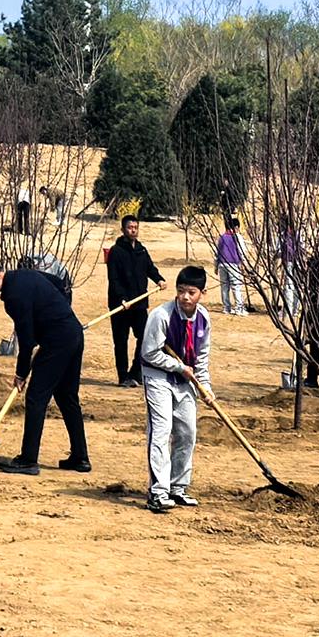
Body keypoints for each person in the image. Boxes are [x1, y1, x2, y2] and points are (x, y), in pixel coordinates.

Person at [0, 257, 89, 475]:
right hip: (73, 332)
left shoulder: (13, 297)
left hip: (57, 341)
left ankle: (28, 459)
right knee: (67, 397)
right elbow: (60, 283)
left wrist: (21, 373)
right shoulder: (27, 274)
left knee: (36, 397)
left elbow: (26, 339)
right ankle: (80, 457)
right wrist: (59, 313)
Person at [135, 266, 212, 513]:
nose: (185, 297)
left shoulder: (203, 318)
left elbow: (201, 357)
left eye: (191, 292)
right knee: (161, 429)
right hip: (158, 376)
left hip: (186, 379)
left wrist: (205, 386)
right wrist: (177, 367)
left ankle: (177, 487)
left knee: (187, 432)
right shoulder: (161, 316)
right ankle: (158, 492)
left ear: (202, 293)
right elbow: (149, 353)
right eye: (181, 291)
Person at [104, 218, 162, 386]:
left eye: (136, 227)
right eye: (130, 227)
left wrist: (159, 279)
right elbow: (113, 278)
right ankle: (123, 376)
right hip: (120, 305)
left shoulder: (141, 250)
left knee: (145, 337)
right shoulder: (116, 252)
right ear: (123, 230)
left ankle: (136, 372)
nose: (133, 230)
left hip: (139, 304)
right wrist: (122, 298)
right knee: (121, 341)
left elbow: (150, 268)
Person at [212, 216, 249, 316]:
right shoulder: (237, 237)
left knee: (224, 286)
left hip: (222, 264)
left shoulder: (222, 237)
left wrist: (216, 266)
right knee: (236, 286)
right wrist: (244, 264)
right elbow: (242, 251)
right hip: (233, 264)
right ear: (236, 227)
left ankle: (226, 308)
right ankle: (239, 308)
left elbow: (216, 253)